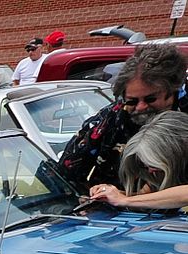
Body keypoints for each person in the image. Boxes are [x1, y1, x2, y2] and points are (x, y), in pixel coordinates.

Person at [55, 42, 188, 194]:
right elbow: (66, 173)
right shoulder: (109, 120)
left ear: (173, 90)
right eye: (132, 101)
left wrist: (132, 199)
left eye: (151, 99)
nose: (140, 107)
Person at [88, 112, 188, 210]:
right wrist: (110, 195)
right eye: (146, 166)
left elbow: (185, 194)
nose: (150, 171)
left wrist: (122, 200)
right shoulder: (163, 172)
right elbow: (147, 196)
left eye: (154, 165)